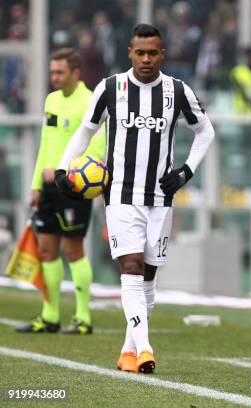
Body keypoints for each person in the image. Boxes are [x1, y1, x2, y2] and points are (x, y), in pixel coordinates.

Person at [54, 24, 215, 373]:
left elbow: (205, 131)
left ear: (162, 55)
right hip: (120, 195)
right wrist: (62, 169)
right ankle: (145, 349)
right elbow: (86, 130)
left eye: (152, 52)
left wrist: (186, 171)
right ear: (129, 52)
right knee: (130, 267)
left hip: (160, 195)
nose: (146, 59)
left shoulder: (177, 90)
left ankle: (129, 351)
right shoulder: (111, 88)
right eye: (140, 52)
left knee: (149, 278)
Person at [16, 48, 106, 335]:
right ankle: (50, 315)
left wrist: (69, 172)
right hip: (47, 187)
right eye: (52, 72)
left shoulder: (90, 101)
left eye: (59, 72)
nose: (54, 77)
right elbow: (46, 142)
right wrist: (35, 184)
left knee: (74, 249)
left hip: (72, 186)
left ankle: (83, 317)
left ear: (75, 73)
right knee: (46, 249)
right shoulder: (51, 100)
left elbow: (96, 146)